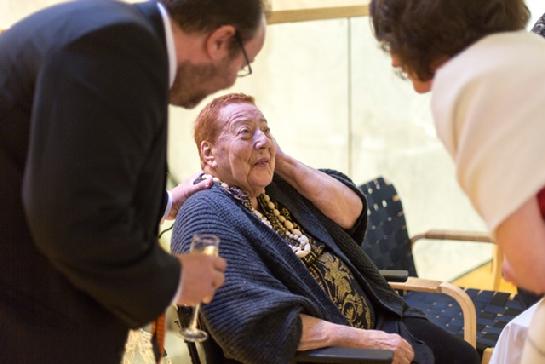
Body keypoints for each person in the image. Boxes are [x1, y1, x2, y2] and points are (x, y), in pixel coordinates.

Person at [0, 0, 265, 362]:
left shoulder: (117, 29)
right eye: (244, 63)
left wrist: (167, 202)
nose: (233, 80)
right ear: (220, 40)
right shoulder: (119, 46)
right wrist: (175, 279)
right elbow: (70, 218)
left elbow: (71, 170)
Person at [170, 93, 479, 364]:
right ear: (208, 153)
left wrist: (284, 163)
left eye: (266, 130)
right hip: (328, 353)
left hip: (380, 319)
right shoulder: (206, 214)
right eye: (245, 132)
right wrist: (368, 341)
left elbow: (351, 213)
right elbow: (256, 327)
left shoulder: (274, 187)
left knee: (463, 356)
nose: (263, 140)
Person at [369, 0, 545, 362]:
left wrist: (518, 258)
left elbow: (533, 266)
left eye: (392, 43)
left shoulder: (467, 82)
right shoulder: (532, 51)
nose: (393, 61)